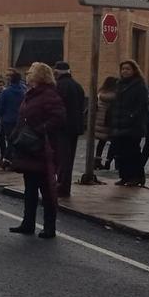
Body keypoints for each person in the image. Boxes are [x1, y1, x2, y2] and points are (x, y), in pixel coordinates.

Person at [8, 62, 66, 238]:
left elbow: (58, 117)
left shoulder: (48, 95)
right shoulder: (30, 94)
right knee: (30, 188)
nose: (27, 73)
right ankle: (28, 222)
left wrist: (39, 131)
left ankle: (49, 227)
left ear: (40, 75)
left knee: (46, 189)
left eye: (31, 71)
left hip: (41, 148)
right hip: (28, 148)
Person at [109, 60, 148, 187]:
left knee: (133, 152)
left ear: (134, 70)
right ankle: (124, 176)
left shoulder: (139, 85)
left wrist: (132, 116)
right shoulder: (119, 85)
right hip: (119, 124)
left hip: (133, 126)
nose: (125, 71)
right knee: (121, 153)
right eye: (123, 69)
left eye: (128, 69)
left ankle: (137, 177)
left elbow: (142, 105)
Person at [52, 61, 86, 197]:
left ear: (57, 72)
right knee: (69, 158)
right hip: (75, 127)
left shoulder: (59, 86)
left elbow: (57, 107)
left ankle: (61, 186)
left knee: (62, 158)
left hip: (62, 128)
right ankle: (65, 186)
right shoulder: (77, 86)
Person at [0, 69, 27, 169]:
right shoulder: (23, 92)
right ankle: (12, 160)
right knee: (16, 140)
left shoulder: (6, 92)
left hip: (7, 120)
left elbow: (0, 107)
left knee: (10, 140)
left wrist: (2, 115)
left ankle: (8, 160)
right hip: (20, 120)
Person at [94, 77, 117, 169]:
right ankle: (108, 161)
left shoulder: (100, 93)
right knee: (113, 142)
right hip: (109, 122)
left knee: (101, 142)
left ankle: (97, 161)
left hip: (99, 121)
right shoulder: (114, 95)